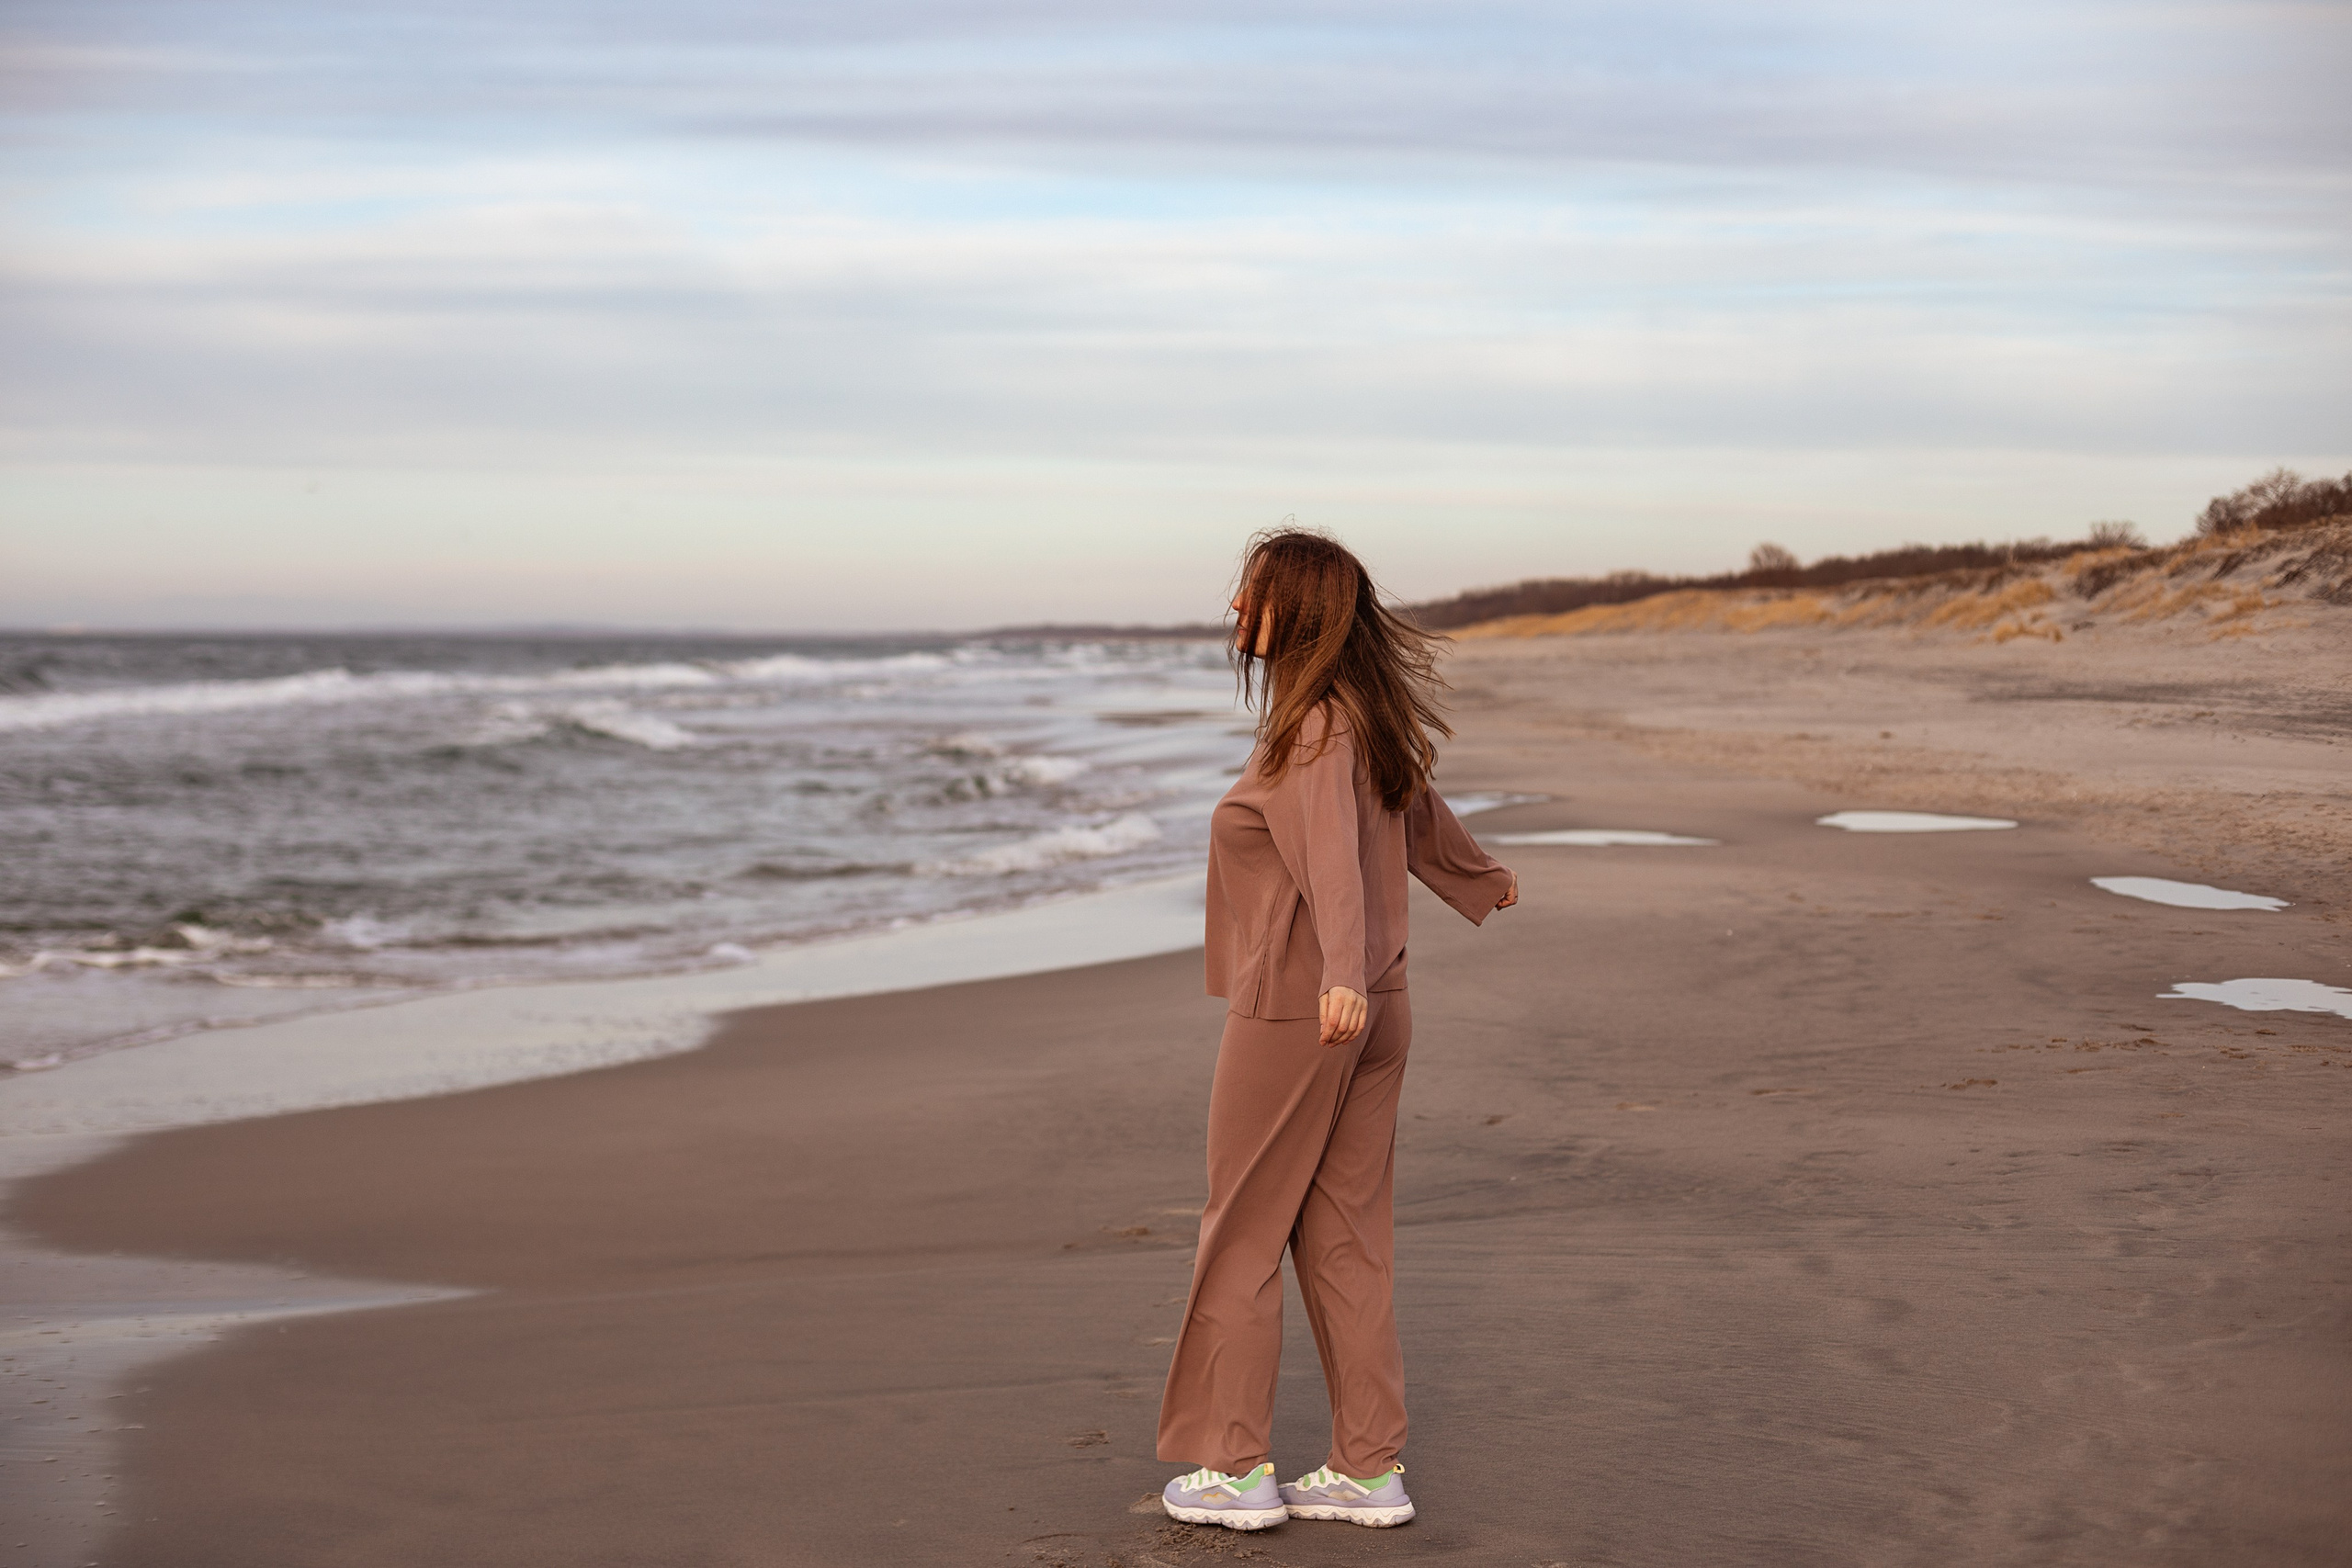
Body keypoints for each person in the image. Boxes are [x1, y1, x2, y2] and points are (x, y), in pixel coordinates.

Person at [1156, 528, 1518, 1533]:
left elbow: (1331, 865)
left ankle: (1232, 1469)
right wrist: (1480, 880)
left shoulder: (1313, 730)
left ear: (1297, 612)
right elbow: (1412, 816)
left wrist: (1342, 978)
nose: (1235, 612)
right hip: (1375, 1009)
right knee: (1344, 1237)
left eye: (1250, 597)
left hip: (1307, 1007)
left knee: (1239, 1234)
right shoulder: (1359, 718)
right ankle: (1366, 1469)